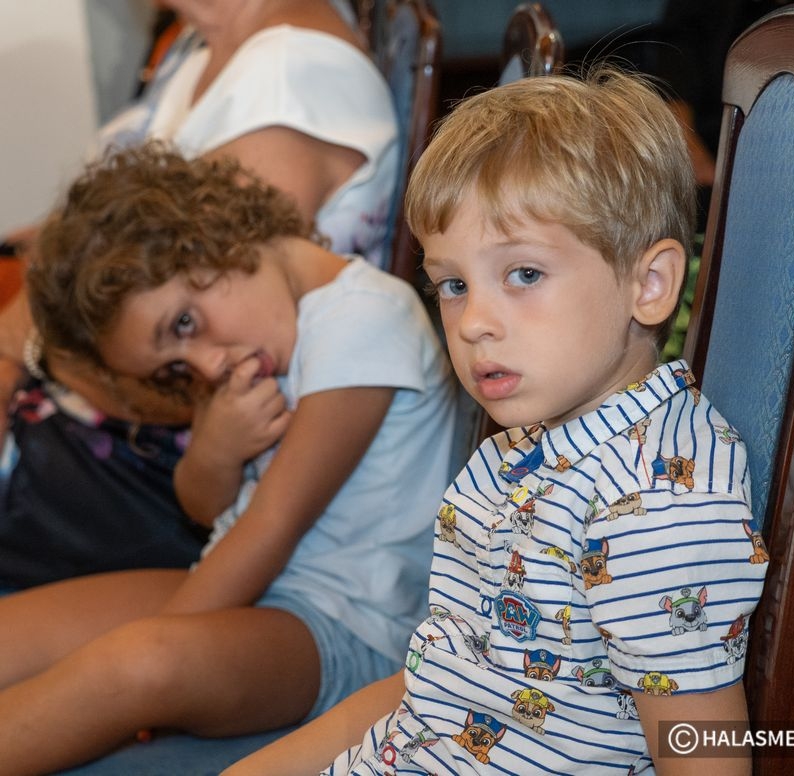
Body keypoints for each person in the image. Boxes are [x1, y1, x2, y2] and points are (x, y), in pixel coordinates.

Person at [224, 68, 769, 776]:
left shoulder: (654, 508)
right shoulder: (525, 449)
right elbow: (434, 692)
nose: (474, 322)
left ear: (650, 283)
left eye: (524, 274)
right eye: (454, 285)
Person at [0, 143, 456, 775]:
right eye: (174, 368)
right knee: (14, 633)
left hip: (344, 626)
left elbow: (273, 525)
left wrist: (159, 642)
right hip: (254, 585)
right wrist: (215, 451)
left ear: (212, 236)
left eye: (184, 324)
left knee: (136, 662)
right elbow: (205, 508)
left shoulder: (364, 320)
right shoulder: (260, 345)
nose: (208, 365)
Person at [0, 0, 400, 589]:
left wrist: (18, 353)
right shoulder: (191, 50)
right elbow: (94, 242)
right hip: (156, 434)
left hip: (166, 452)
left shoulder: (291, 77)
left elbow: (158, 306)